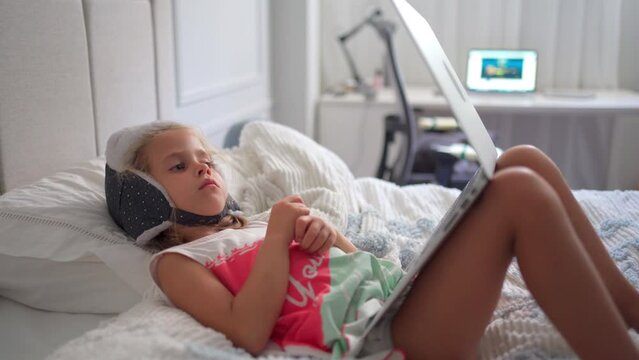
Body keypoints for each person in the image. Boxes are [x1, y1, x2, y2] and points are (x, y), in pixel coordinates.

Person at [104, 121, 639, 359]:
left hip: (395, 296)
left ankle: (628, 307)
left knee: (520, 160)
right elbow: (246, 331)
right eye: (179, 165)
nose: (203, 166)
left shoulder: (261, 221)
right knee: (518, 192)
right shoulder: (177, 262)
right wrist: (280, 239)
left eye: (205, 157)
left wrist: (328, 235)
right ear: (146, 197)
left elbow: (359, 268)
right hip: (381, 340)